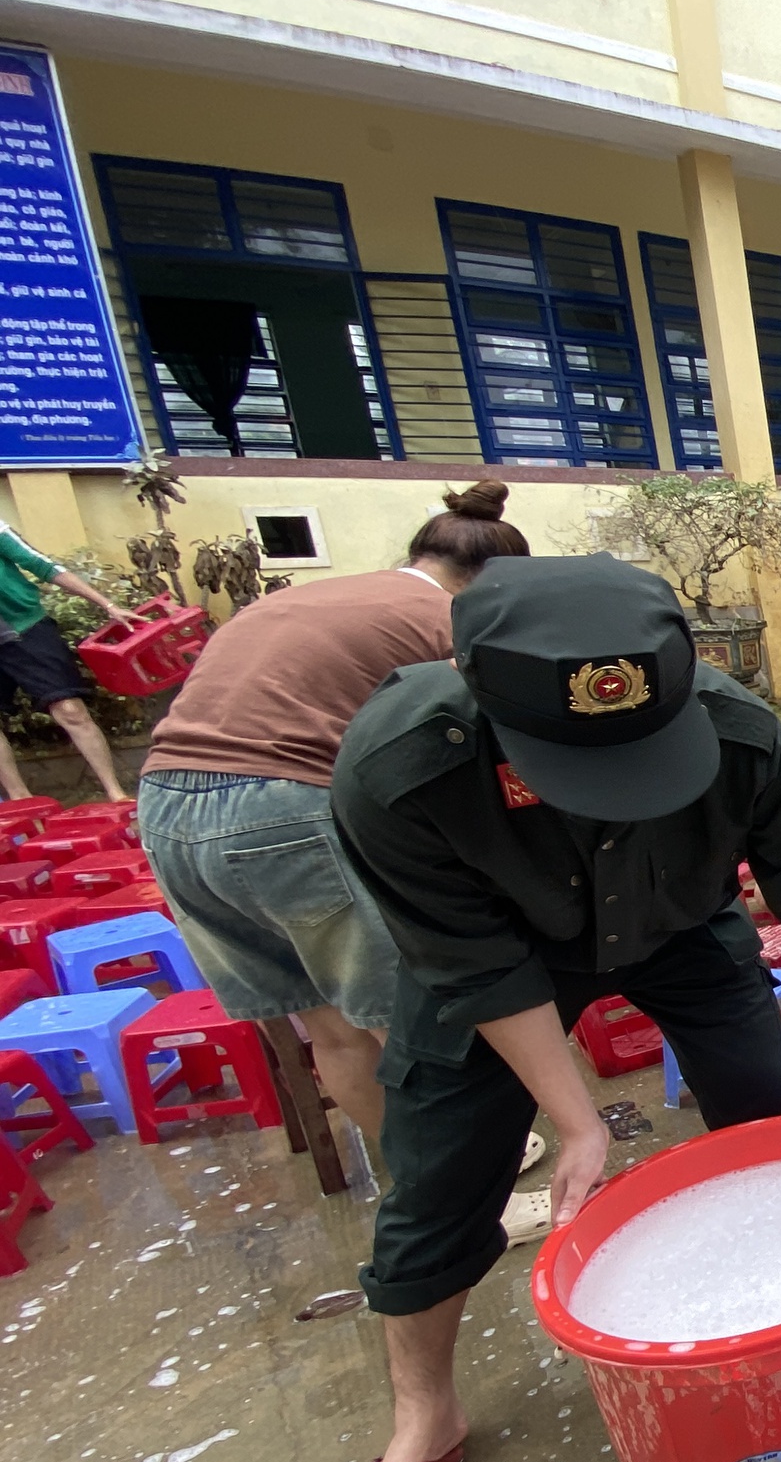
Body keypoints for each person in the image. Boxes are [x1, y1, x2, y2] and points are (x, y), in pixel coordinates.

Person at [313, 555, 781, 1462]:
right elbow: (470, 962)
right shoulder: (398, 768)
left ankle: (779, 1337)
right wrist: (575, 1124)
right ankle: (424, 1423)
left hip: (685, 924)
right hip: (506, 956)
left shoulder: (742, 733)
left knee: (771, 1126)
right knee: (439, 1175)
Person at [138, 482, 527, 1156]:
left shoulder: (300, 599)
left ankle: (416, 1182)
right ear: (492, 580)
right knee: (408, 1024)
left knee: (332, 1028)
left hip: (165, 812)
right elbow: (477, 749)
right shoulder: (449, 621)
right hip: (280, 813)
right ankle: (465, 1199)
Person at [0, 511, 142, 804]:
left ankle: (115, 792)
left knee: (69, 709)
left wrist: (108, 605)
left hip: (25, 627)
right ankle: (20, 800)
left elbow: (43, 565)